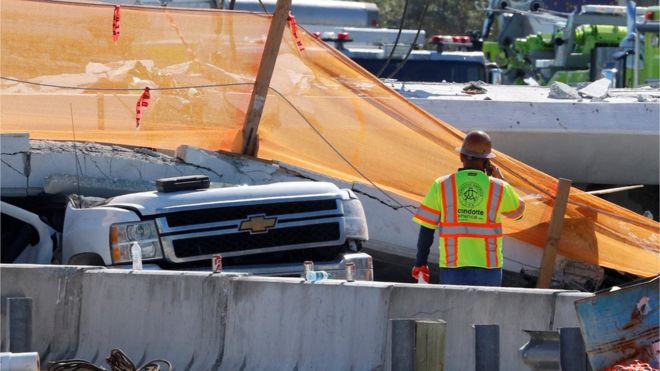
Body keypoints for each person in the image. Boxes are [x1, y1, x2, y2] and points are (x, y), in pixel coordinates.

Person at [411, 130, 525, 286]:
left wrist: (420, 263)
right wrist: (502, 180)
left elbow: (426, 228)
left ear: (461, 156)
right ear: (486, 162)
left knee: (454, 310)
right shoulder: (498, 187)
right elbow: (518, 213)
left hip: (453, 266)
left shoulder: (442, 185)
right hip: (489, 268)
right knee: (485, 310)